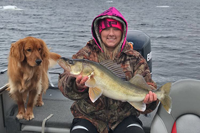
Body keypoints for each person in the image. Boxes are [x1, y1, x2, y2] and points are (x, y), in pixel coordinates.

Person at [58, 7, 158, 133]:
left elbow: (148, 85)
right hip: (88, 117)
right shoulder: (85, 55)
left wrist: (150, 99)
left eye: (116, 29)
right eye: (106, 29)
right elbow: (63, 84)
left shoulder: (135, 58)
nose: (111, 33)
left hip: (124, 117)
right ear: (99, 32)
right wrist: (77, 85)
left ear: (122, 32)